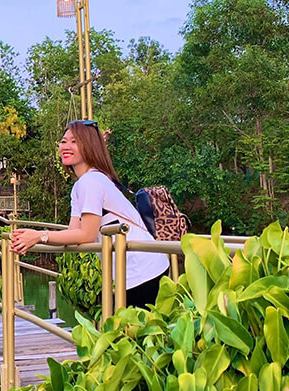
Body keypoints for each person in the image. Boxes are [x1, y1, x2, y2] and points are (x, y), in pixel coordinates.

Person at [10, 120, 169, 309]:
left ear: (89, 146)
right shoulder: (84, 183)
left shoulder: (90, 182)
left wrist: (39, 236)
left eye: (74, 142)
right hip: (139, 270)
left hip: (141, 271)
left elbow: (86, 235)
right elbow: (74, 233)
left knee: (124, 325)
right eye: (63, 141)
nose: (66, 147)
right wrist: (33, 237)